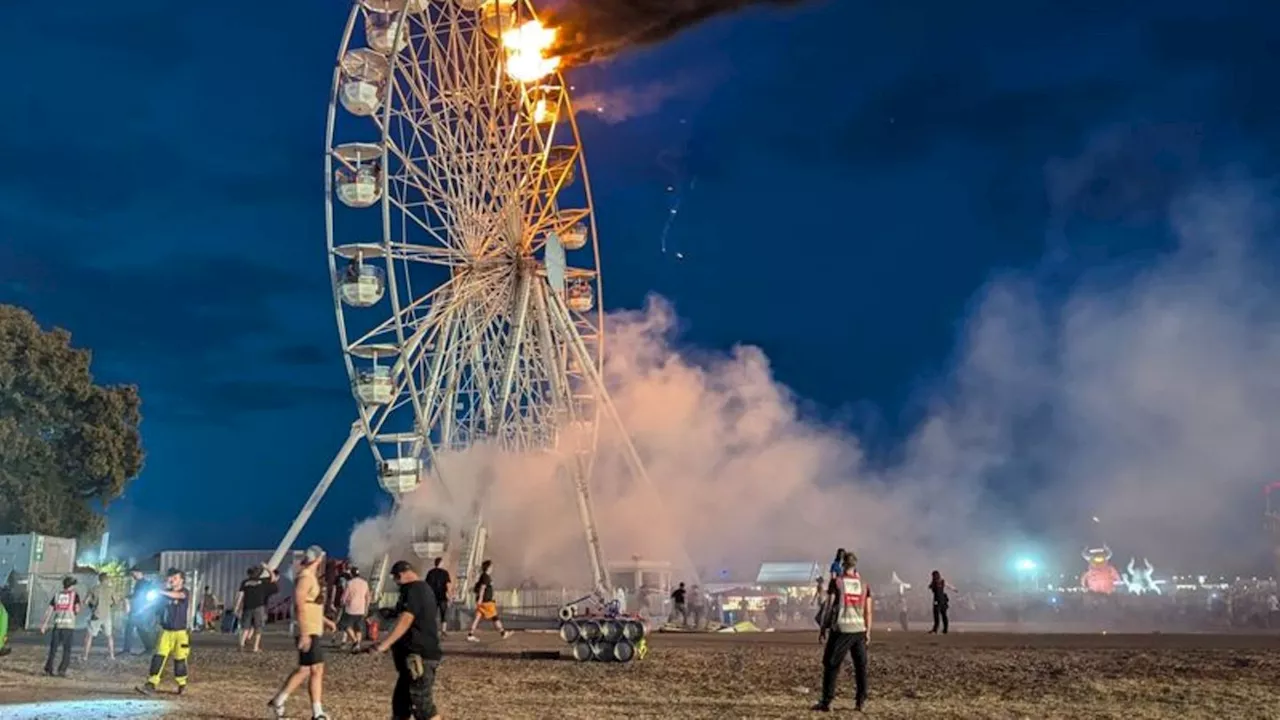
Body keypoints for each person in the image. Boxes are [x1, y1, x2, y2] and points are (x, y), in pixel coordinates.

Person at [365, 560, 443, 720]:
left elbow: (406, 619)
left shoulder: (414, 589)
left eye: (395, 578)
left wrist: (384, 645)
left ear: (401, 575)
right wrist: (383, 613)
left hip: (419, 656)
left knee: (422, 706)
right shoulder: (420, 590)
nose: (395, 583)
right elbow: (401, 613)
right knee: (400, 706)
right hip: (411, 659)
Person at [269, 546, 337, 720]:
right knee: (316, 669)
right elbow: (299, 604)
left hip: (312, 628)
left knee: (306, 670)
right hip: (308, 630)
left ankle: (279, 700)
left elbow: (309, 605)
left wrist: (325, 621)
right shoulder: (306, 578)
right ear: (318, 559)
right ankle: (317, 712)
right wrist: (305, 633)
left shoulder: (310, 577)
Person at [813, 550, 871, 713]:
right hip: (859, 629)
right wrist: (868, 631)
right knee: (860, 666)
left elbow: (829, 607)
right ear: (855, 565)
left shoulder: (837, 582)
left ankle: (827, 701)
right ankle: (861, 701)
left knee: (831, 664)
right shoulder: (864, 584)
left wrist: (823, 628)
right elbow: (868, 611)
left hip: (841, 629)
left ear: (843, 564)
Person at [137, 569, 192, 695]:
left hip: (181, 633)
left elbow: (179, 596)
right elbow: (155, 606)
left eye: (175, 578)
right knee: (158, 658)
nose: (172, 580)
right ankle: (151, 683)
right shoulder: (165, 594)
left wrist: (160, 591)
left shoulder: (185, 592)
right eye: (170, 578)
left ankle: (182, 684)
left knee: (180, 659)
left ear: (182, 580)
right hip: (166, 632)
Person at [40, 575, 81, 676]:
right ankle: (62, 669)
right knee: (67, 649)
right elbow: (77, 609)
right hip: (68, 625)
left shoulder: (57, 595)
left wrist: (44, 624)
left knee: (53, 649)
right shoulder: (74, 595)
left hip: (58, 624)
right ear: (71, 586)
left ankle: (48, 668)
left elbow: (49, 610)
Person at [236, 564, 279, 652]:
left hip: (247, 607)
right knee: (258, 628)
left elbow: (240, 595)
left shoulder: (245, 582)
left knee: (245, 627)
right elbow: (274, 579)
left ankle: (241, 644)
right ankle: (255, 647)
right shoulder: (263, 582)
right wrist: (267, 568)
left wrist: (236, 607)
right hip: (259, 607)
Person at [466, 560, 512, 642]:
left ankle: (470, 634)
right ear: (488, 567)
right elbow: (483, 588)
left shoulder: (483, 576)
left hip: (482, 602)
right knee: (495, 617)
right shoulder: (486, 577)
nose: (492, 568)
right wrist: (480, 598)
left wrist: (479, 599)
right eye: (491, 566)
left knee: (477, 618)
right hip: (486, 602)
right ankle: (503, 633)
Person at [83, 572, 120, 660]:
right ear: (107, 579)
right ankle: (112, 656)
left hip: (96, 615)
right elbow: (116, 602)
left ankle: (85, 656)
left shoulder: (94, 589)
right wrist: (109, 605)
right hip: (107, 615)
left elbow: (85, 601)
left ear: (99, 580)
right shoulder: (111, 589)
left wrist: (92, 606)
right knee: (109, 636)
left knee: (89, 635)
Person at [123, 567, 155, 655]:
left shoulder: (143, 583)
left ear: (138, 572)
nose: (133, 576)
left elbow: (138, 596)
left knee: (130, 628)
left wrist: (128, 598)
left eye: (133, 574)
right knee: (140, 629)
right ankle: (149, 648)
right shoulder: (141, 583)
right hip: (139, 610)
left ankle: (127, 650)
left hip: (139, 610)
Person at [339, 566, 371, 648]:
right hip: (361, 609)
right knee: (358, 628)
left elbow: (344, 597)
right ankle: (358, 646)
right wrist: (366, 607)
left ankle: (355, 641)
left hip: (351, 609)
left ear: (351, 574)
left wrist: (342, 602)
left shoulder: (349, 583)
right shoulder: (365, 583)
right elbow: (368, 596)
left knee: (345, 625)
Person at [423, 558, 451, 635]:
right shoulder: (445, 573)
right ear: (441, 563)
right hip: (442, 597)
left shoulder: (430, 572)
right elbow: (447, 585)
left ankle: (431, 630)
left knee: (432, 614)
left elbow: (426, 585)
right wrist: (449, 596)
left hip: (432, 597)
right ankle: (443, 631)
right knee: (444, 614)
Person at [928, 570, 949, 635]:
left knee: (937, 615)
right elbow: (948, 585)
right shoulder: (942, 581)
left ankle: (936, 629)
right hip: (942, 600)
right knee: (944, 615)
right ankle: (945, 629)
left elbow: (930, 587)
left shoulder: (934, 582)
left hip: (937, 600)